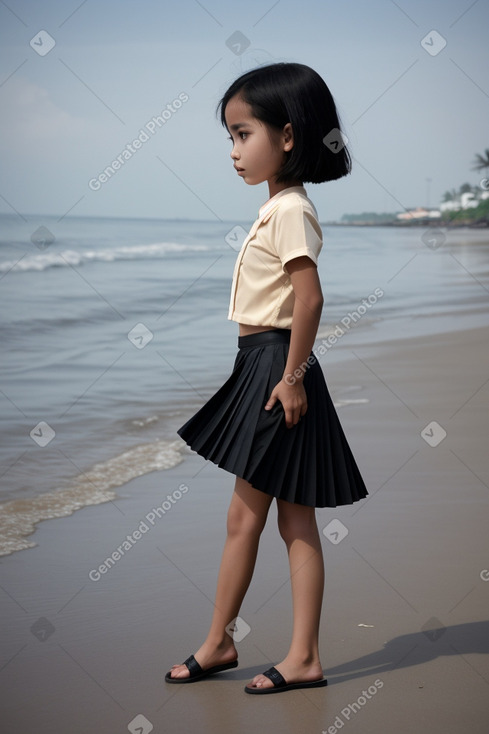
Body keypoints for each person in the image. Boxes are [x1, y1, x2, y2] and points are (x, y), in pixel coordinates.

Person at [165, 62, 368, 694]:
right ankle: (287, 652)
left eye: (242, 133)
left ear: (286, 135)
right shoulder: (282, 205)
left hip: (275, 368)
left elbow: (309, 300)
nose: (233, 151)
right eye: (229, 136)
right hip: (267, 364)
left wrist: (292, 378)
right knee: (289, 520)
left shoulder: (289, 211)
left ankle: (226, 642)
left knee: (248, 520)